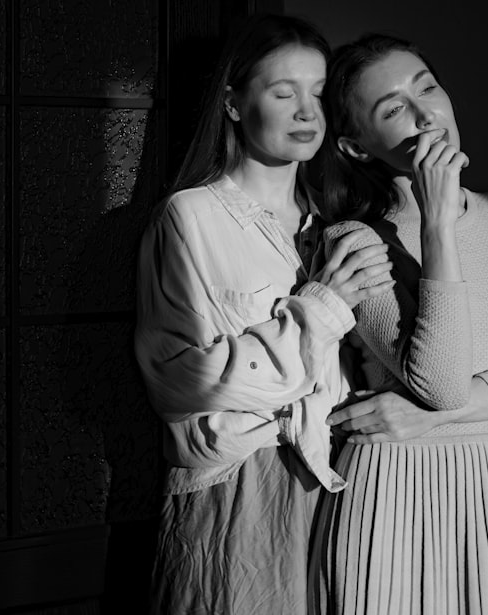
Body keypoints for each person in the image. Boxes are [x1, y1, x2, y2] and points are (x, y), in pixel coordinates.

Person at [311, 33, 488, 614]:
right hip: (397, 499)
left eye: (428, 88)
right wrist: (437, 225)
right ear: (359, 148)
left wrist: (430, 416)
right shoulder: (357, 242)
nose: (424, 115)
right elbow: (439, 380)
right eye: (393, 110)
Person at [133, 14, 399, 614]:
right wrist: (321, 310)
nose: (308, 111)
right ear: (232, 103)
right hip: (239, 497)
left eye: (318, 92)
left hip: (346, 479)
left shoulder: (339, 220)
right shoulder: (191, 218)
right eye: (284, 93)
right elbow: (179, 380)